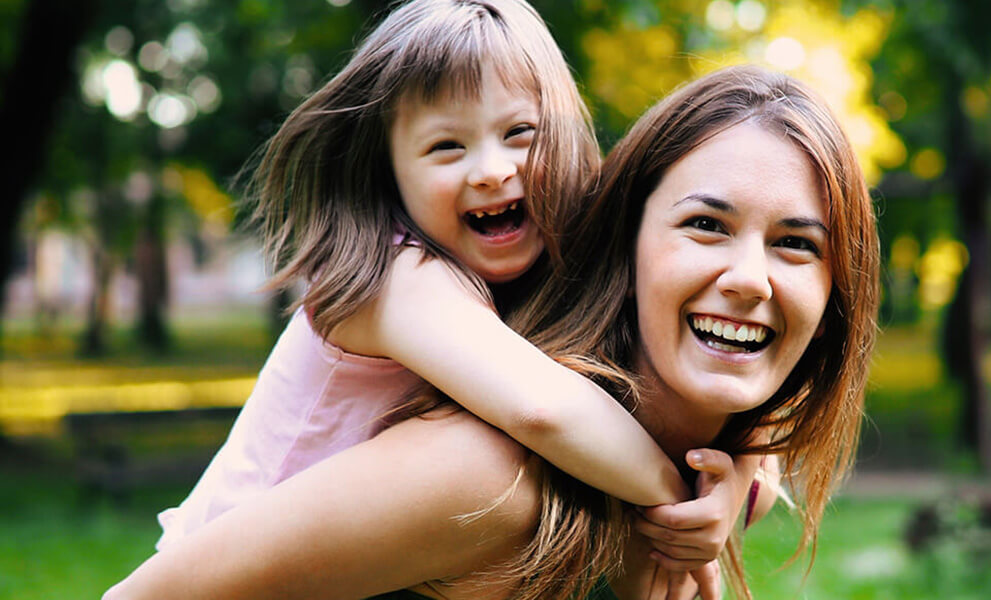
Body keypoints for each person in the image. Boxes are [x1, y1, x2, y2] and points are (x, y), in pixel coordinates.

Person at [105, 64, 879, 600]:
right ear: (624, 238)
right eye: (706, 225)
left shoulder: (716, 480)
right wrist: (676, 495)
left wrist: (738, 475)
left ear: (836, 293)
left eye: (796, 243)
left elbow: (760, 465)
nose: (751, 278)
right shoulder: (490, 480)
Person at [155, 0, 741, 591]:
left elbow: (719, 414)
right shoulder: (390, 274)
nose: (490, 170)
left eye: (519, 133)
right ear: (390, 174)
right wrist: (675, 508)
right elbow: (545, 410)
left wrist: (731, 483)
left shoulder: (540, 269)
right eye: (446, 147)